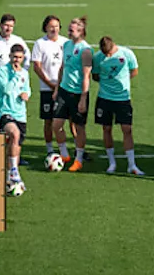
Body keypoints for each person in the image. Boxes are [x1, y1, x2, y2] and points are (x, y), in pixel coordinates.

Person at [92, 36, 142, 175]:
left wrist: (122, 81)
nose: (107, 56)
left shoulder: (127, 54)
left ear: (114, 46)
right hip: (104, 98)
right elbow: (95, 75)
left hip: (123, 98)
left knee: (127, 129)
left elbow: (134, 71)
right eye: (105, 54)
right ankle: (111, 162)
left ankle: (132, 165)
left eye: (110, 53)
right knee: (106, 128)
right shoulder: (97, 57)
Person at [54, 17, 93, 171]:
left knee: (79, 127)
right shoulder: (66, 45)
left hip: (78, 93)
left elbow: (86, 76)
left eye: (72, 29)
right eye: (69, 29)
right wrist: (57, 88)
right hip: (64, 90)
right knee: (56, 125)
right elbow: (62, 67)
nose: (69, 32)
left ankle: (78, 158)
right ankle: (64, 154)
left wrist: (83, 98)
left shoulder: (86, 50)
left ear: (81, 31)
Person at [31, 16, 69, 162]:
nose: (54, 29)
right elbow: (37, 66)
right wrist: (50, 84)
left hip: (65, 88)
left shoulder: (65, 43)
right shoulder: (40, 44)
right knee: (48, 120)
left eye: (57, 26)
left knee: (69, 120)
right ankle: (49, 149)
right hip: (47, 89)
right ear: (45, 27)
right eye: (51, 26)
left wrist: (60, 86)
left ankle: (70, 150)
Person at [0, 44, 32, 188]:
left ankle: (10, 174)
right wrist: (15, 75)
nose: (17, 60)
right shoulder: (2, 71)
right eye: (15, 57)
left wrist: (26, 95)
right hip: (5, 111)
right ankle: (14, 171)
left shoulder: (25, 73)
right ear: (10, 56)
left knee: (16, 144)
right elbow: (6, 90)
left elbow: (28, 89)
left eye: (20, 58)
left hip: (20, 113)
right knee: (14, 134)